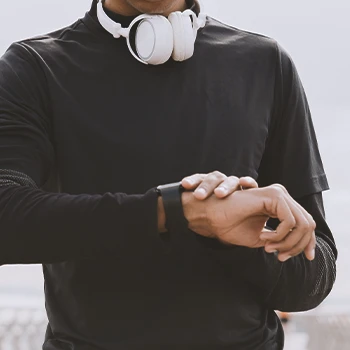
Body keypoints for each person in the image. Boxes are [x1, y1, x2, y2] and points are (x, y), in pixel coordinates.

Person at [0, 0, 336, 349]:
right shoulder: (34, 67)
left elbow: (315, 275)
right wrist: (177, 211)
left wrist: (240, 242)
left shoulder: (266, 64)